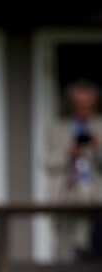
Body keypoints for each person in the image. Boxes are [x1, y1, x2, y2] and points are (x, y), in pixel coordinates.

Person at [45, 79, 102, 262]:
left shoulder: (100, 127)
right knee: (64, 254)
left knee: (91, 252)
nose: (83, 111)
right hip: (65, 197)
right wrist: (67, 153)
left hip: (96, 200)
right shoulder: (57, 128)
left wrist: (97, 147)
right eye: (79, 106)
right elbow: (47, 163)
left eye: (87, 107)